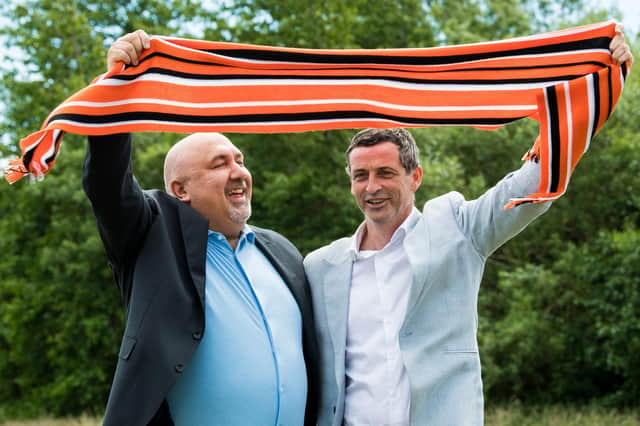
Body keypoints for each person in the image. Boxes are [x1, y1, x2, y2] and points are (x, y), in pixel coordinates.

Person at [303, 29, 633, 426]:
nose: (371, 187)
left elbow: (533, 184)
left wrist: (597, 84)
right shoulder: (320, 265)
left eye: (385, 173)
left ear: (415, 177)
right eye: (361, 176)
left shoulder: (457, 227)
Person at [83, 30, 318, 426]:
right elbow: (108, 185)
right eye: (219, 163)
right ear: (180, 190)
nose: (239, 171)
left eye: (239, 159)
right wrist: (117, 91)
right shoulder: (153, 238)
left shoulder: (281, 250)